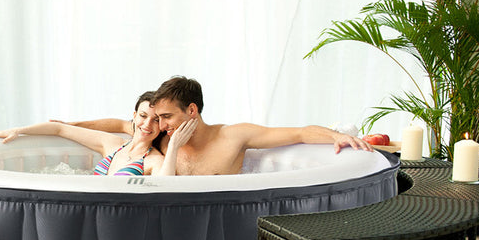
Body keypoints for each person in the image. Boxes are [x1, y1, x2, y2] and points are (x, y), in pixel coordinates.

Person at [67, 76, 373, 175]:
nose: (159, 124)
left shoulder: (232, 137)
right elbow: (120, 124)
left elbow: (299, 133)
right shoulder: (162, 136)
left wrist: (335, 136)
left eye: (167, 117)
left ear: (192, 110)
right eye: (157, 118)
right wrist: (71, 123)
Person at [0, 92, 171, 176]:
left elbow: (165, 189)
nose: (147, 124)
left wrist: (175, 144)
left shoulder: (155, 161)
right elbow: (59, 129)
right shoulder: (113, 144)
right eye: (143, 116)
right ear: (134, 116)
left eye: (156, 120)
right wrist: (19, 130)